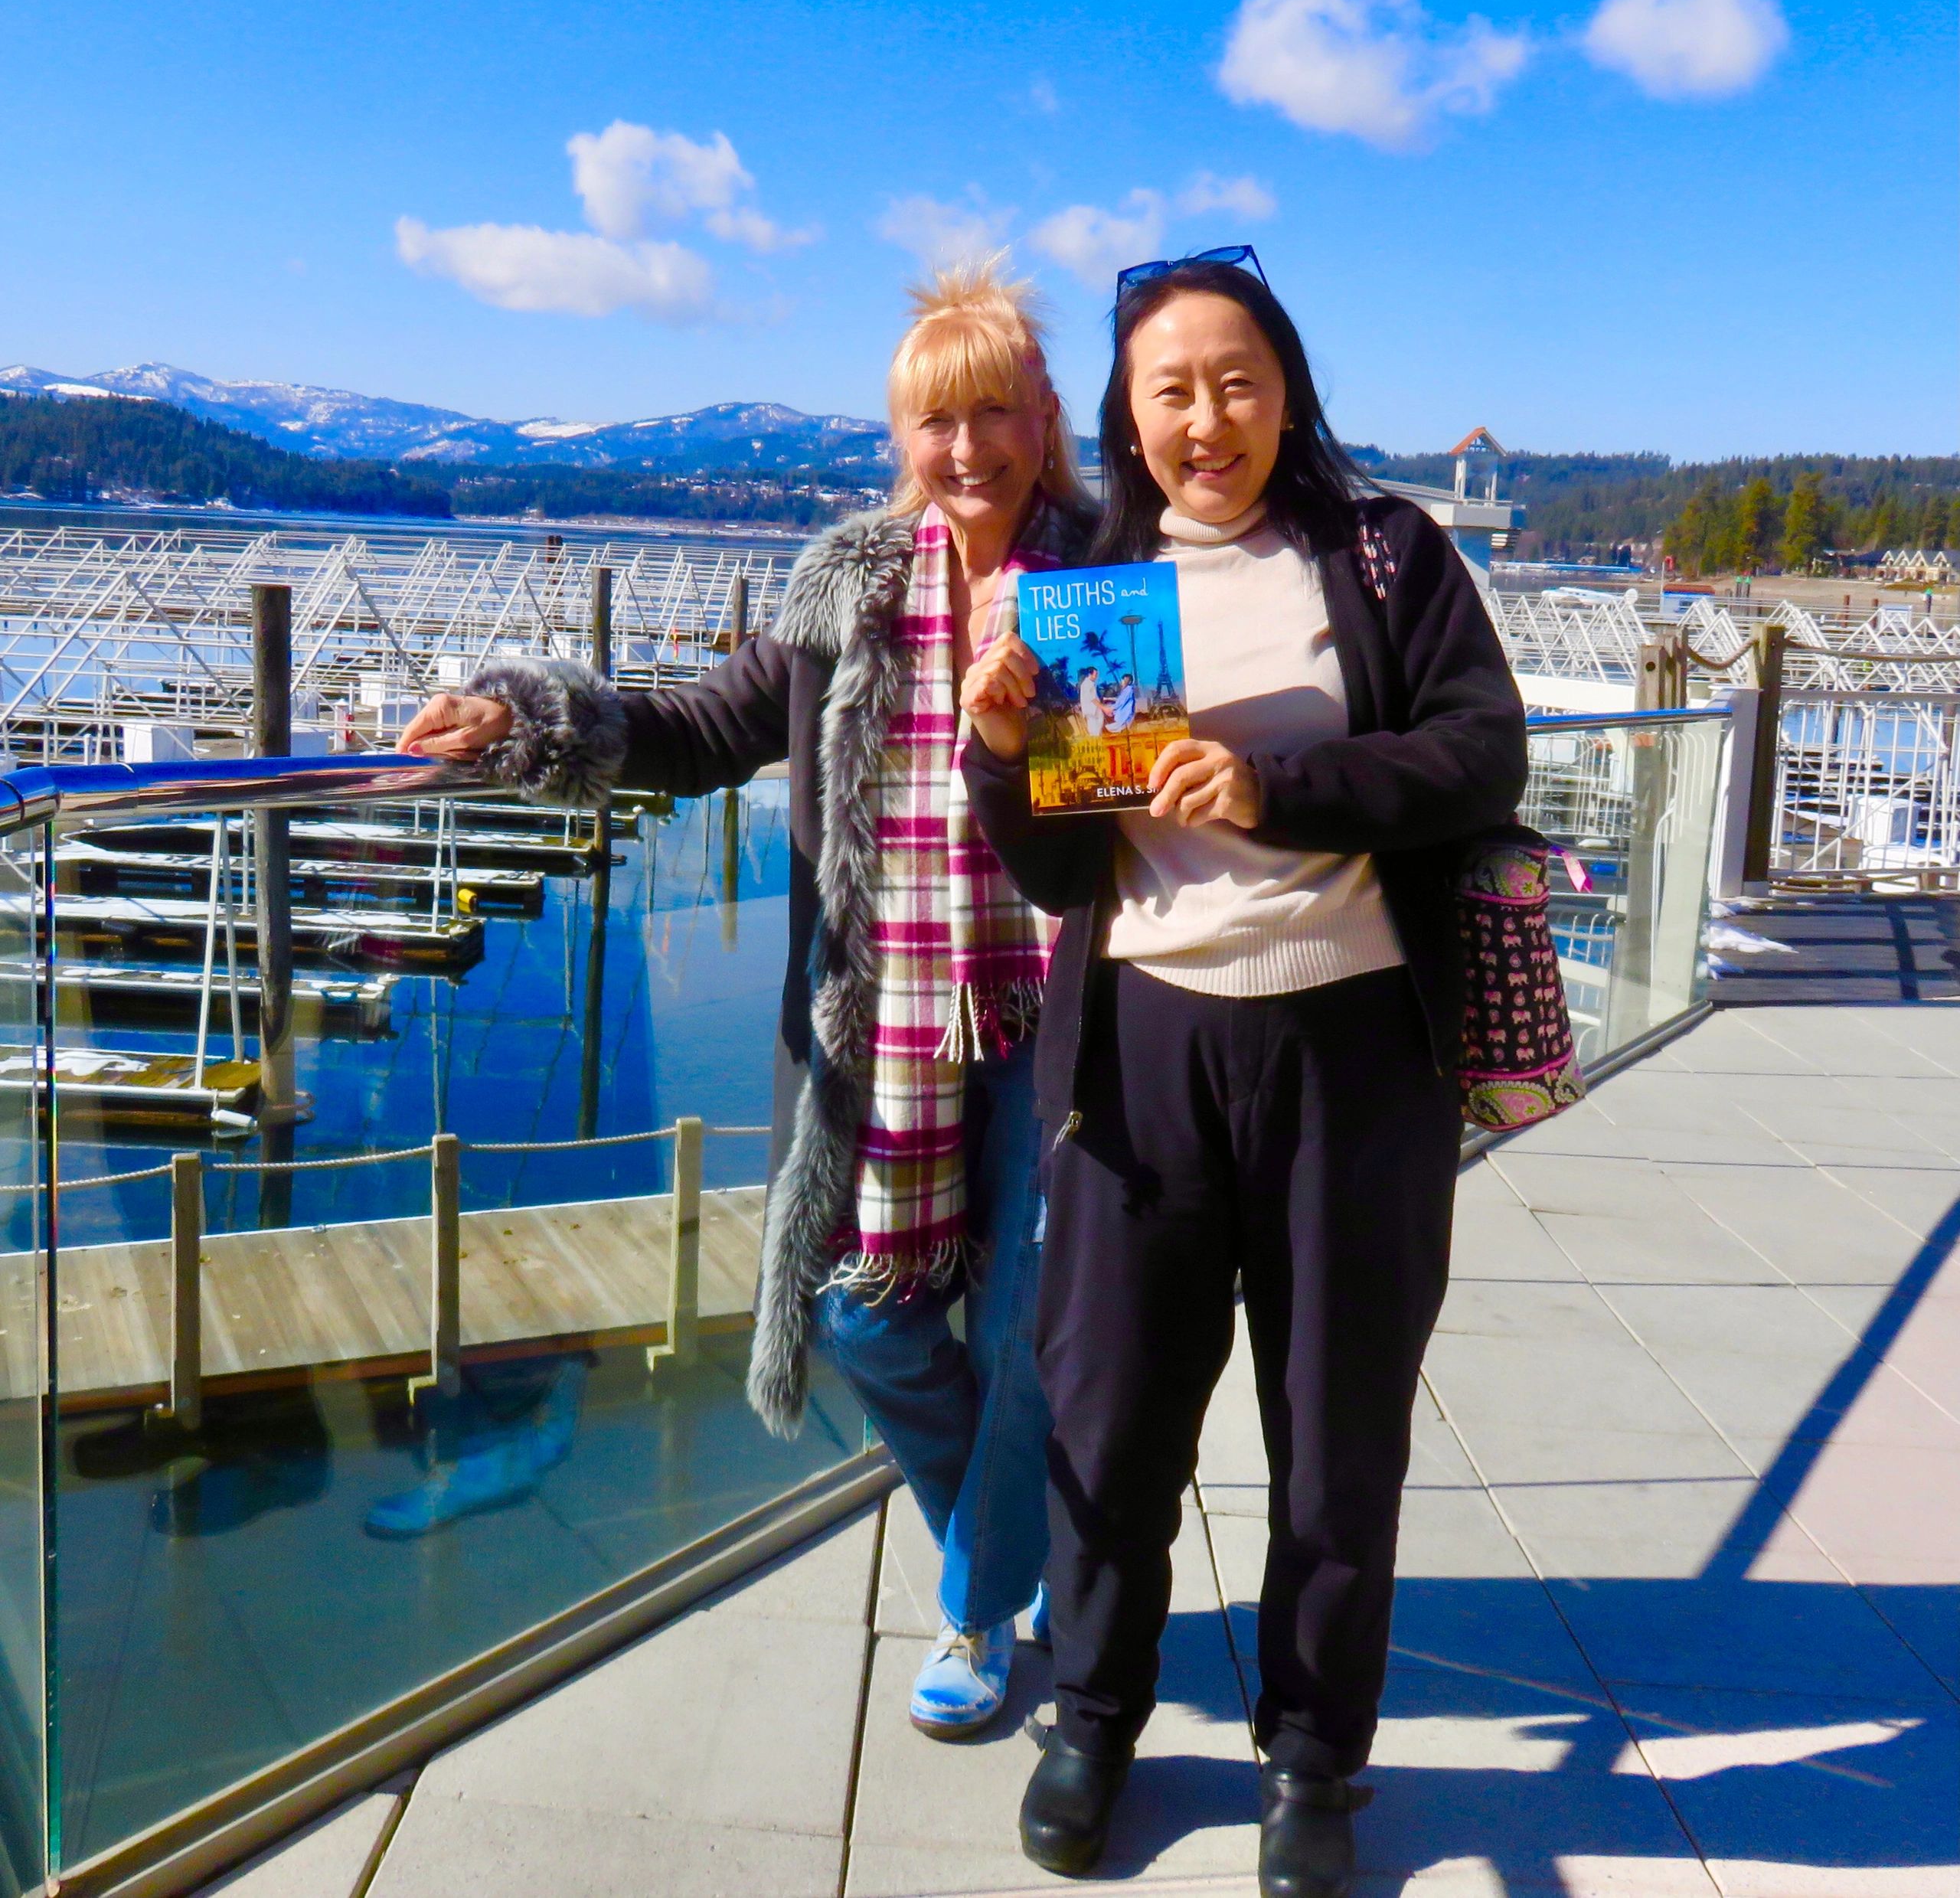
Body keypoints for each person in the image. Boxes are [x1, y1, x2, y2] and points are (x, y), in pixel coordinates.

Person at [399, 260, 1096, 1740]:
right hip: (886, 1022)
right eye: (932, 420)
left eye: (992, 413)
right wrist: (525, 716)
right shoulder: (848, 589)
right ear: (898, 438)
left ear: (1043, 421)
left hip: (1072, 1025)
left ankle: (978, 1602)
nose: (963, 448)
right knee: (867, 1317)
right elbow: (702, 721)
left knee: (1038, 1330)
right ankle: (1029, 1531)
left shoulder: (1110, 580)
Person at [959, 251, 1526, 1896]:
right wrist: (1004, 752)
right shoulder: (1084, 583)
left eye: (1237, 380)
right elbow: (1061, 878)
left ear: (1285, 389)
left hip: (1354, 1048)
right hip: (1143, 1047)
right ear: (1127, 420)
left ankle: (1311, 1757)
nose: (1206, 418)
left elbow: (1476, 749)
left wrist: (1270, 785)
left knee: (1337, 1433)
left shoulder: (1379, 552)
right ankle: (1092, 1711)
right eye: (1169, 390)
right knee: (1111, 1412)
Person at [1076, 664, 1106, 737]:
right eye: (1095, 674)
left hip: (1094, 710)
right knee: (1094, 730)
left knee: (1097, 729)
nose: (1096, 676)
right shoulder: (1087, 684)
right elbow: (1092, 699)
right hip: (1092, 711)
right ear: (1090, 674)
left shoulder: (1090, 684)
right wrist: (1103, 708)